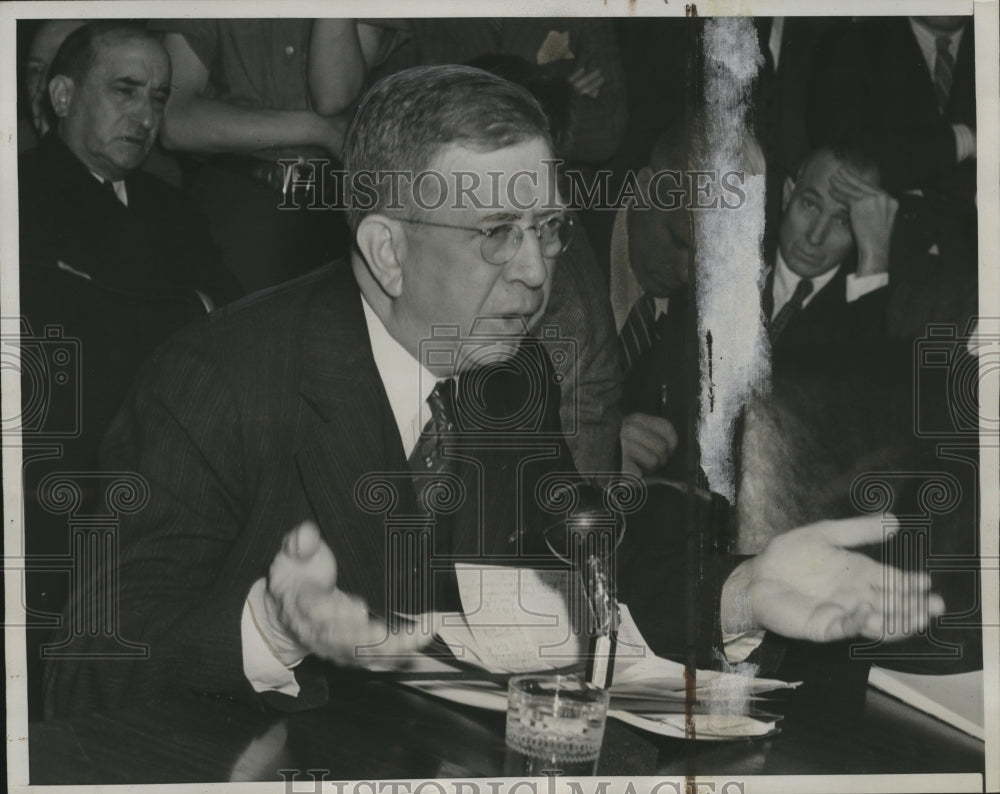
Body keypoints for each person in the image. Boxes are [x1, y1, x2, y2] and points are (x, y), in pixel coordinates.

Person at [44, 65, 942, 720]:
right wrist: (267, 630)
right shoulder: (213, 383)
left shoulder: (506, 370)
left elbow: (579, 557)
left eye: (547, 227)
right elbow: (86, 672)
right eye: (497, 233)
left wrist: (742, 590)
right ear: (388, 251)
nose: (537, 271)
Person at [18, 20, 241, 719]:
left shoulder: (171, 207)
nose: (145, 115)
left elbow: (234, 327)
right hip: (64, 480)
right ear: (61, 95)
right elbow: (65, 338)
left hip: (170, 473)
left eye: (158, 98)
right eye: (125, 91)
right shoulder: (19, 194)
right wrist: (182, 309)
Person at [150, 19, 367, 292]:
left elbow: (333, 97)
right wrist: (317, 129)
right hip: (242, 194)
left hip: (338, 206)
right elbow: (175, 122)